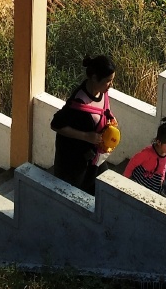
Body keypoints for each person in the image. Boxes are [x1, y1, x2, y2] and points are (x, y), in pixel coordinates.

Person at [51, 54, 119, 195]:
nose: (110, 85)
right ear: (94, 78)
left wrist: (109, 121)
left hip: (94, 157)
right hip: (75, 162)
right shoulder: (78, 103)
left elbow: (101, 112)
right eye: (108, 81)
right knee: (75, 196)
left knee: (104, 191)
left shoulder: (101, 92)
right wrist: (86, 136)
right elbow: (56, 124)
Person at [124, 122, 166, 193]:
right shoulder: (147, 153)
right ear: (159, 142)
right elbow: (133, 162)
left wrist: (162, 178)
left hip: (154, 182)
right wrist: (125, 179)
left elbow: (164, 166)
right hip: (140, 179)